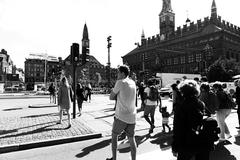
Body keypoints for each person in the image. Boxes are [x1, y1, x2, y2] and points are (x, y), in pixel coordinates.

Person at [172, 80, 211, 160]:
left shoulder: (180, 106)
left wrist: (175, 147)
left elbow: (177, 128)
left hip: (186, 142)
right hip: (201, 140)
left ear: (182, 92)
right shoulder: (200, 103)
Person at [107, 65, 137, 160]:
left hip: (121, 116)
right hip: (132, 116)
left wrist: (116, 93)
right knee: (132, 139)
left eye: (118, 73)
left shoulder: (120, 82)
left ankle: (114, 158)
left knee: (114, 135)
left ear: (123, 73)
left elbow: (111, 97)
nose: (117, 75)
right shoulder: (133, 82)